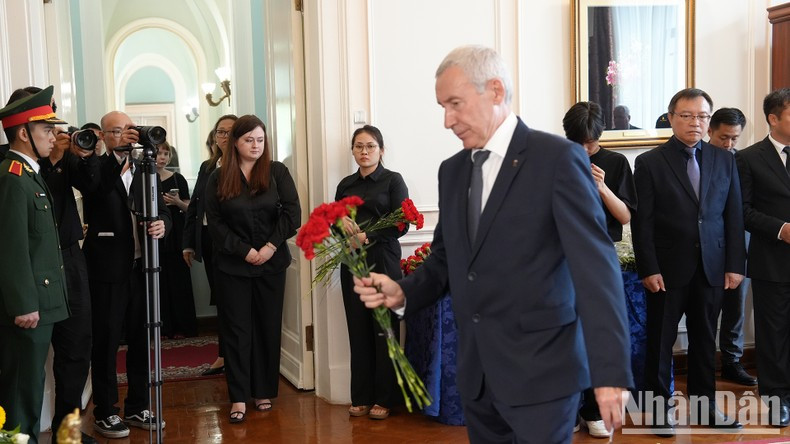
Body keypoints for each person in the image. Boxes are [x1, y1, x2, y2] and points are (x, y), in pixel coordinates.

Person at [355, 45, 632, 443]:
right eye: (442, 106)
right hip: (479, 378)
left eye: (455, 104)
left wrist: (609, 373)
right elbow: (445, 261)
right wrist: (401, 292)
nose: (447, 120)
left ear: (496, 91)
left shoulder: (556, 159)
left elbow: (597, 271)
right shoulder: (452, 172)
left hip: (544, 375)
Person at [632, 88, 746, 436]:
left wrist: (735, 264)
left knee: (703, 340)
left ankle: (704, 408)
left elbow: (733, 215)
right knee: (661, 343)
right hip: (667, 270)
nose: (695, 122)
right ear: (671, 118)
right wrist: (648, 267)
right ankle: (657, 412)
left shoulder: (724, 159)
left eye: (702, 116)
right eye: (687, 115)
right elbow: (643, 221)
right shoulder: (650, 162)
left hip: (711, 268)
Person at [204, 114, 300, 424]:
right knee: (237, 331)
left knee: (267, 327)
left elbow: (292, 213)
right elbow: (215, 224)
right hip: (233, 266)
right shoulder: (218, 178)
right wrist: (244, 250)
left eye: (260, 140)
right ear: (235, 143)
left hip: (272, 264)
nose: (256, 145)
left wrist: (270, 247)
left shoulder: (277, 172)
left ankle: (262, 392)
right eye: (249, 140)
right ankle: (238, 397)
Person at [81, 111, 171, 438]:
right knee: (105, 340)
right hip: (107, 269)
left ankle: (137, 405)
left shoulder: (145, 169)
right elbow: (96, 189)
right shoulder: (97, 167)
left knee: (140, 338)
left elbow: (159, 209)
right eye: (115, 131)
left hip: (142, 267)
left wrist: (164, 223)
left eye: (128, 130)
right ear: (103, 136)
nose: (123, 136)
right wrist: (119, 156)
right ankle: (105, 410)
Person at [0, 85, 70, 444]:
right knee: (19, 393)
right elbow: (11, 248)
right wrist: (24, 303)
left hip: (42, 303)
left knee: (29, 386)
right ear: (24, 133)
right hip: (29, 306)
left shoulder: (29, 173)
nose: (54, 136)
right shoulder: (13, 177)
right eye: (47, 129)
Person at [562, 101, 636, 439]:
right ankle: (568, 409)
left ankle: (593, 410)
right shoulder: (556, 159)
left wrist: (602, 188)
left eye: (589, 143)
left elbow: (625, 216)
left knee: (596, 338)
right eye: (577, 142)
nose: (583, 149)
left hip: (599, 261)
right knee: (563, 337)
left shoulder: (616, 162)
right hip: (560, 261)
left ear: (599, 136)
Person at [335, 125, 408, 420]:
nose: (364, 152)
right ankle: (361, 396)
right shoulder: (345, 185)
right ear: (352, 151)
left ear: (381, 150)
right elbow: (333, 222)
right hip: (352, 262)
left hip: (383, 261)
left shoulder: (393, 181)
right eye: (359, 147)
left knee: (384, 331)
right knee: (358, 329)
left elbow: (401, 222)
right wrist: (340, 225)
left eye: (370, 146)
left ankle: (385, 397)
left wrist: (366, 237)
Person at [735, 88, 790, 427]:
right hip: (772, 261)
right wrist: (781, 229)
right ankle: (777, 399)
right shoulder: (749, 158)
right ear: (774, 118)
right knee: (773, 334)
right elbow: (742, 211)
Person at [707, 107, 758, 386]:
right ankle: (701, 359)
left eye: (734, 139)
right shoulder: (698, 159)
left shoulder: (744, 161)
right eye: (723, 137)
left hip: (742, 239)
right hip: (706, 243)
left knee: (736, 305)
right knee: (704, 304)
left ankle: (731, 361)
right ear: (710, 131)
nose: (728, 145)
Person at [184, 114, 237, 375]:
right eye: (221, 132)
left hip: (234, 243)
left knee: (233, 301)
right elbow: (195, 205)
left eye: (231, 131)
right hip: (208, 239)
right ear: (215, 137)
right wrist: (188, 243)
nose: (225, 137)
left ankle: (234, 355)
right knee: (220, 300)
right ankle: (223, 354)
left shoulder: (246, 165)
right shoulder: (208, 166)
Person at [156, 140, 197, 338]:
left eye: (165, 154)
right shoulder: (143, 178)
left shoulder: (178, 178)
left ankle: (183, 326)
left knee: (179, 281)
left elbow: (190, 208)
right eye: (158, 153)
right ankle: (163, 327)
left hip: (178, 234)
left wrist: (177, 202)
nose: (162, 157)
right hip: (155, 234)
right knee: (159, 281)